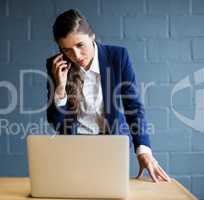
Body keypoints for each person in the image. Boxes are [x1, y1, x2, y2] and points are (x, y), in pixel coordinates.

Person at [46, 9, 171, 182]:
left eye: (80, 45)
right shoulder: (57, 66)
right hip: (74, 146)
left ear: (92, 36)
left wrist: (143, 150)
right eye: (67, 50)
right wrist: (59, 88)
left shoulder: (118, 57)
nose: (76, 56)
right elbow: (57, 123)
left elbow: (133, 107)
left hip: (113, 144)